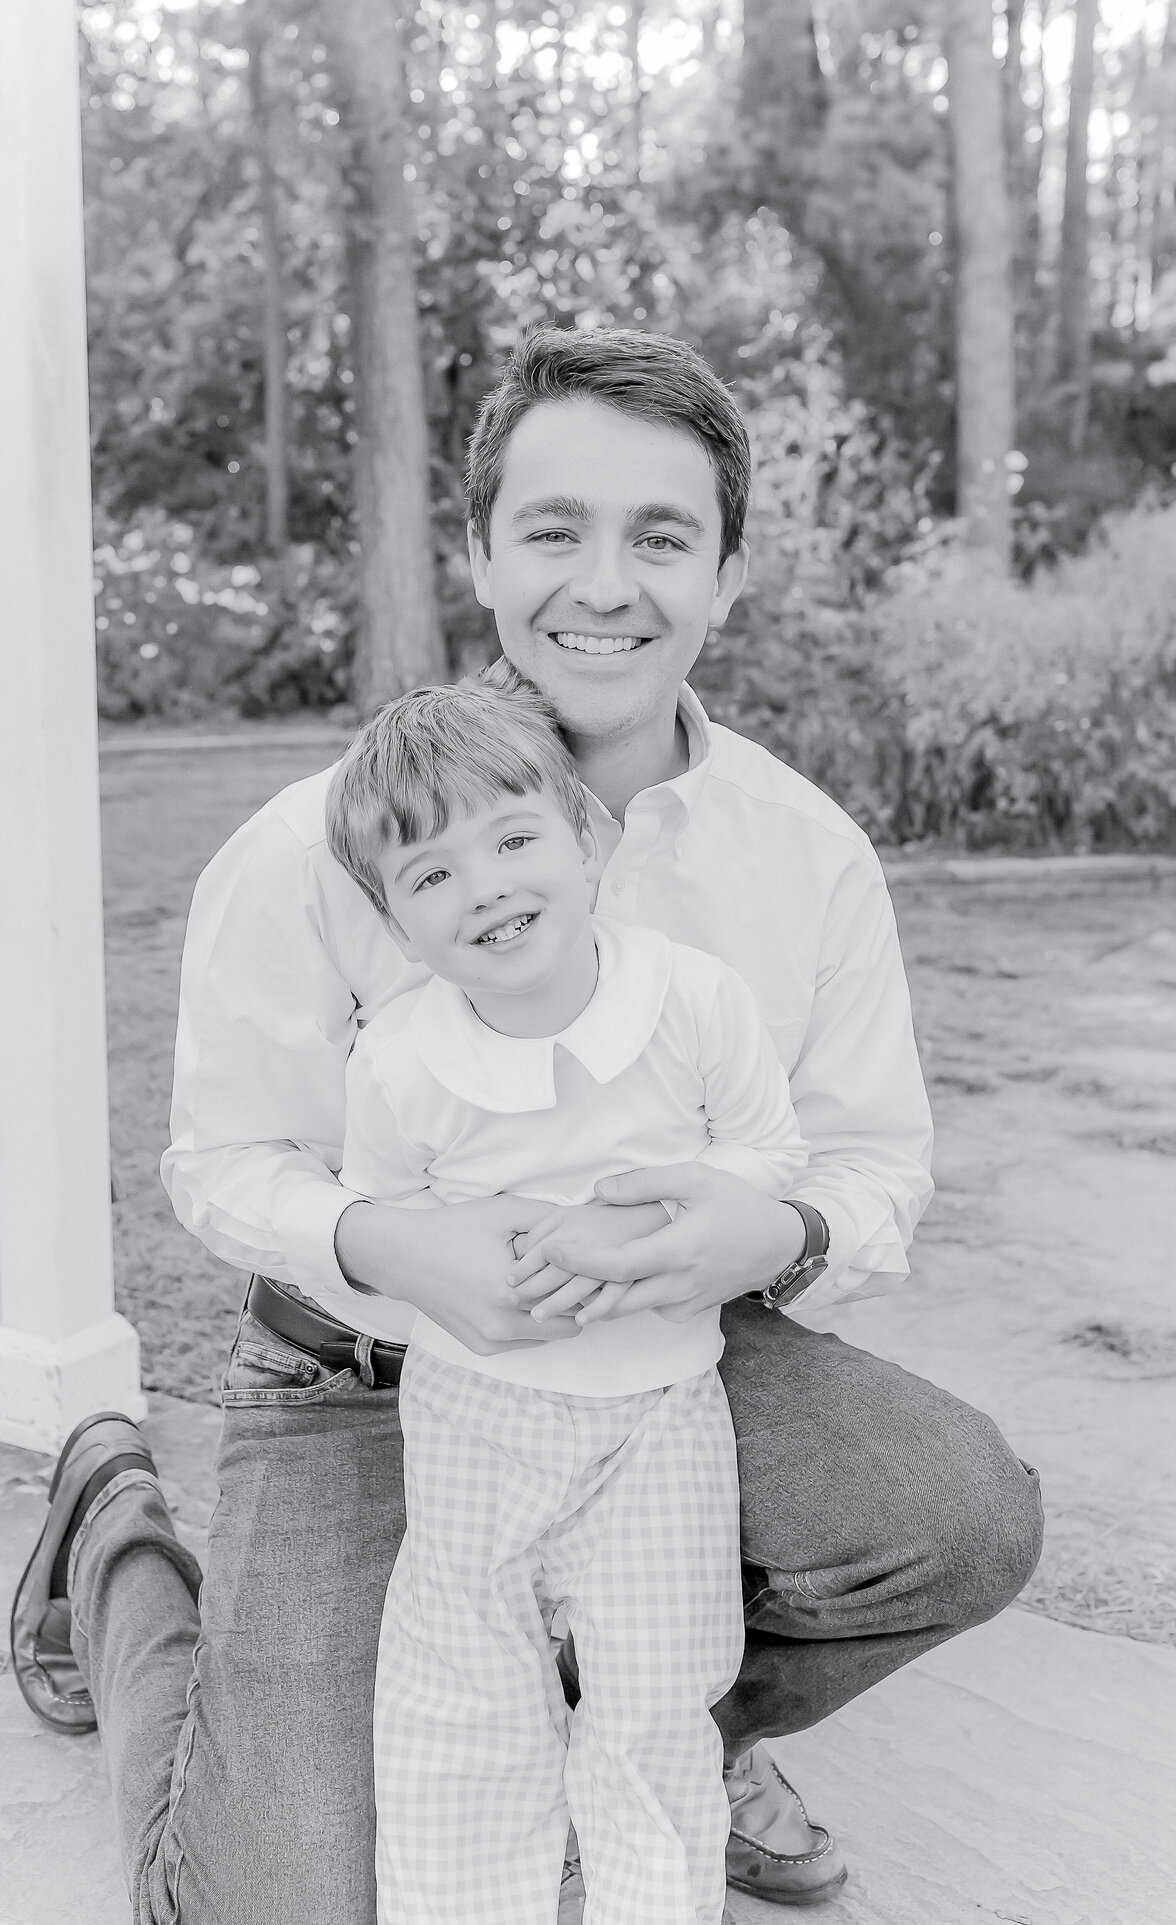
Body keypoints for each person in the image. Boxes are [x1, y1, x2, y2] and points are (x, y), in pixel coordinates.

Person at [11, 326, 1043, 1924]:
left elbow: (872, 1156)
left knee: (955, 1516)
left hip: (662, 1362)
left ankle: (655, 1726)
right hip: (362, 1376)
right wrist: (393, 1240)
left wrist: (771, 1230)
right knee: (265, 1901)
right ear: (482, 549)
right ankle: (117, 1534)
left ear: (728, 572)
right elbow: (221, 1161)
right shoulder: (313, 846)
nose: (605, 585)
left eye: (662, 537)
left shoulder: (803, 852)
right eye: (555, 530)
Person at [325, 670, 808, 1925]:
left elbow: (767, 1161)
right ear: (395, 920)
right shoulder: (399, 1060)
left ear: (588, 841)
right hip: (474, 1417)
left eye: (514, 837)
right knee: (463, 1692)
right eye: (429, 875)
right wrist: (457, 1257)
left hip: (655, 1419)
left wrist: (640, 1219)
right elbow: (387, 1228)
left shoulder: (692, 1001)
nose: (482, 884)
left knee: (654, 1697)